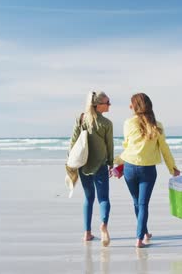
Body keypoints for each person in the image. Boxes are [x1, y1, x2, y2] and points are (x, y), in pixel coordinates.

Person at [114, 93, 180, 248]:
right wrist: (172, 168)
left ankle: (144, 232)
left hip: (129, 168)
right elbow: (164, 149)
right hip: (147, 171)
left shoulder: (128, 123)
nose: (129, 107)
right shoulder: (157, 125)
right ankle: (139, 238)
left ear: (135, 106)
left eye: (131, 104)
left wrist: (117, 163)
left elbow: (127, 147)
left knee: (137, 203)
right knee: (143, 204)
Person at [68, 91, 114, 246]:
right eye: (107, 102)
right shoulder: (106, 123)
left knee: (88, 198)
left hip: (83, 165)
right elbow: (109, 146)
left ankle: (87, 233)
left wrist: (71, 163)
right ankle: (103, 225)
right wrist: (111, 163)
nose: (109, 105)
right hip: (100, 165)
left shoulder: (81, 118)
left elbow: (73, 142)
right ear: (98, 105)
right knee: (103, 199)